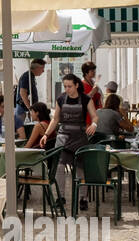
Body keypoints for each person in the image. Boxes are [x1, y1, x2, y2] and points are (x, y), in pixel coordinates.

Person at [40, 73, 98, 207]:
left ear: (77, 85)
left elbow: (94, 116)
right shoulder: (61, 99)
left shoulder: (85, 99)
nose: (67, 89)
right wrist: (46, 135)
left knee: (80, 168)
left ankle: (83, 198)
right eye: (65, 86)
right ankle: (61, 197)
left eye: (70, 86)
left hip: (79, 137)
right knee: (59, 166)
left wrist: (94, 124)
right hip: (63, 137)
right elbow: (55, 119)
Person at [15, 58, 45, 132]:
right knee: (22, 130)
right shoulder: (27, 76)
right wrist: (30, 108)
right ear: (37, 68)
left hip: (26, 110)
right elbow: (23, 93)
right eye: (42, 68)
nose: (43, 71)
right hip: (24, 110)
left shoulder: (31, 76)